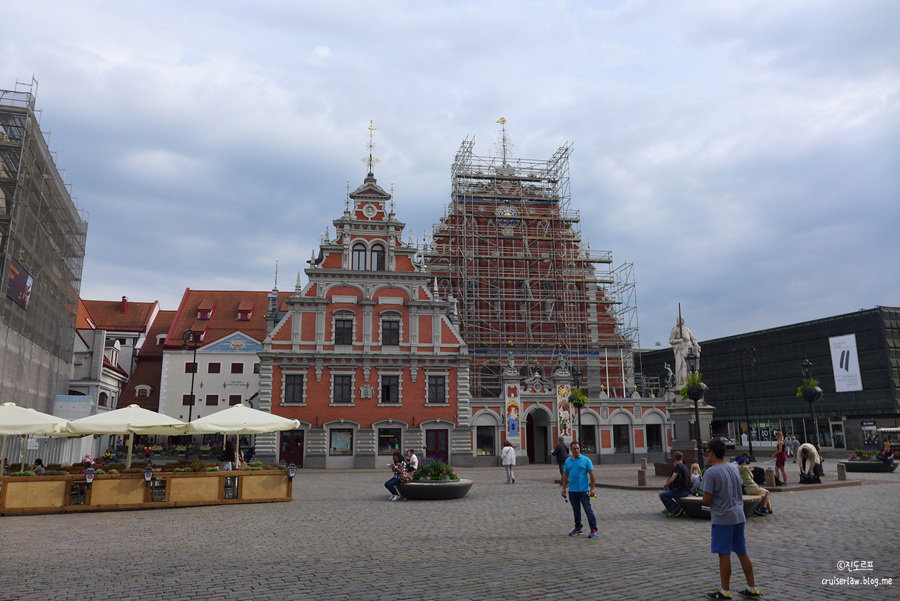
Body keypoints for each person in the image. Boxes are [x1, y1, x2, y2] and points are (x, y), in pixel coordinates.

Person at [701, 438, 760, 599]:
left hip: (722, 517)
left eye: (707, 452)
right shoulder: (734, 469)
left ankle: (725, 591)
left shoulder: (711, 472)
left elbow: (706, 499)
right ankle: (752, 587)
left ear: (711, 452)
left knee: (724, 554)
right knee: (742, 552)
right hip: (738, 515)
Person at [561, 441, 597, 538]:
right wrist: (564, 488)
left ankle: (593, 528)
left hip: (584, 491)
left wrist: (592, 488)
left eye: (578, 448)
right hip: (572, 491)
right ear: (571, 450)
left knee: (588, 510)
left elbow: (592, 475)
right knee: (576, 511)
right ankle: (578, 527)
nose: (576, 450)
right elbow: (565, 476)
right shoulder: (568, 461)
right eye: (574, 449)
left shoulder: (586, 460)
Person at [669, 314, 701, 388]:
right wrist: (679, 340)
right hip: (681, 349)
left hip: (689, 348)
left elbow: (693, 338)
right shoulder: (675, 330)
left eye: (684, 319)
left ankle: (692, 381)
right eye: (681, 319)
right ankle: (684, 382)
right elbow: (671, 340)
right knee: (684, 366)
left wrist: (696, 345)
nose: (683, 320)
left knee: (692, 366)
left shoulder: (687, 329)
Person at [659, 451, 691, 517]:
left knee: (662, 495)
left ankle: (675, 509)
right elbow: (690, 479)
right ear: (682, 458)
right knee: (668, 489)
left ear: (675, 458)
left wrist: (665, 485)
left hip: (681, 491)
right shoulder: (685, 467)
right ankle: (668, 508)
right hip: (686, 490)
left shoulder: (678, 466)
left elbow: (672, 478)